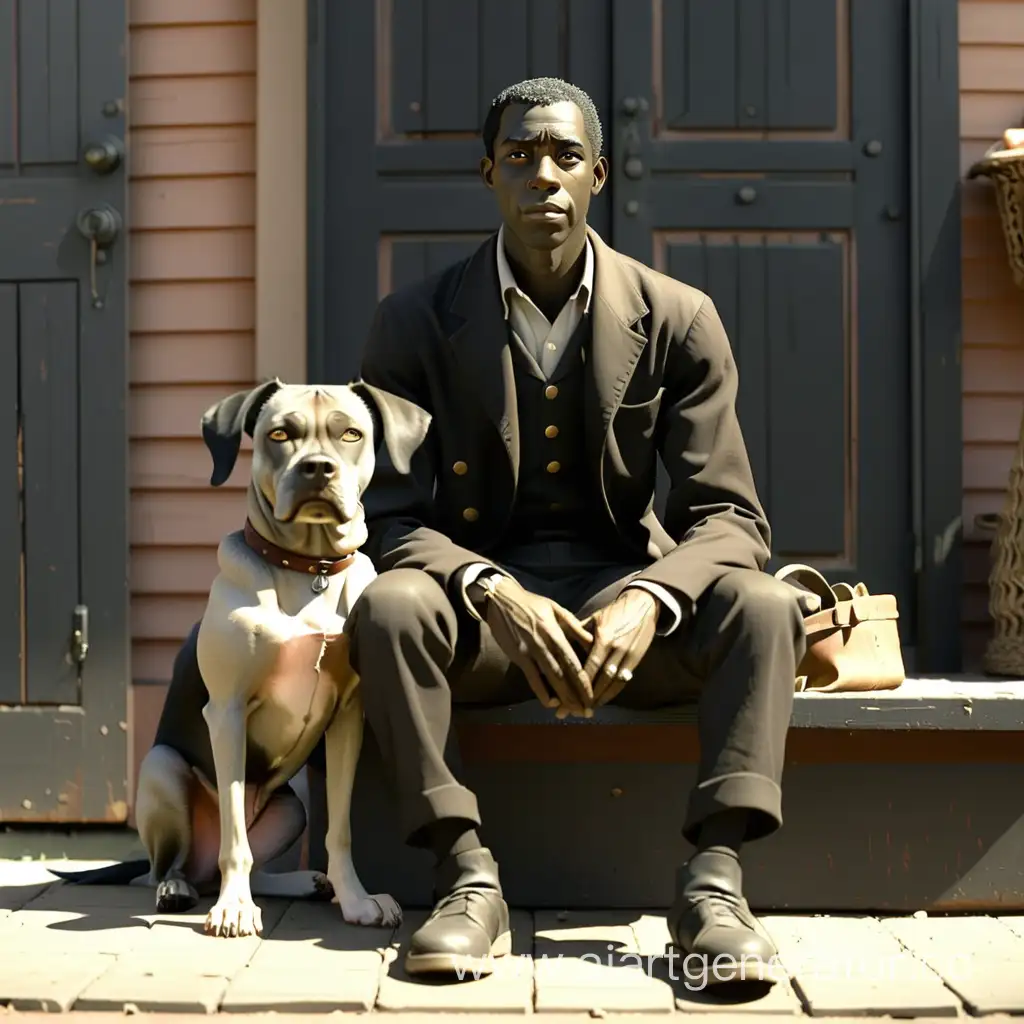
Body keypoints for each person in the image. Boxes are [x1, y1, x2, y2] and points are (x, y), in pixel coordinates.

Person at [347, 77, 806, 985]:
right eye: (519, 156)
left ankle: (714, 882)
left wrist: (652, 595)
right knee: (390, 607)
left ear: (598, 174)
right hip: (484, 619)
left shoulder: (679, 317)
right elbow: (389, 514)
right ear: (489, 173)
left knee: (761, 605)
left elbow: (731, 518)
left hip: (625, 622)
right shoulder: (412, 322)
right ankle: (465, 879)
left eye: (564, 157)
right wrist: (490, 589)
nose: (543, 176)